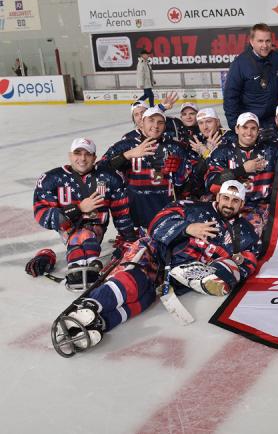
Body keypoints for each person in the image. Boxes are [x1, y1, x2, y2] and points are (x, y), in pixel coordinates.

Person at [51, 181, 261, 355]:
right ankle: (92, 306)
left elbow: (246, 264)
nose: (229, 204)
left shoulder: (246, 233)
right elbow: (157, 223)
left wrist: (219, 272)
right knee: (136, 280)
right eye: (226, 198)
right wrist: (187, 228)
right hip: (157, 255)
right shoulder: (191, 207)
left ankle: (100, 323)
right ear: (218, 197)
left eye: (235, 200)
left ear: (242, 203)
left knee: (144, 298)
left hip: (179, 279)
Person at [28, 138, 136, 288]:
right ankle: (84, 267)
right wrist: (78, 208)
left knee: (85, 235)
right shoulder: (50, 178)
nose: (83, 158)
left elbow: (121, 213)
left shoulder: (111, 177)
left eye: (88, 154)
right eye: (77, 153)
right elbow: (43, 216)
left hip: (96, 228)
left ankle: (79, 268)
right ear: (70, 155)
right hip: (67, 228)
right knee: (82, 236)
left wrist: (129, 239)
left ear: (95, 158)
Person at [97, 107, 192, 231]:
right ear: (142, 122)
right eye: (151, 121)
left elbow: (185, 184)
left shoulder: (175, 147)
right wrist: (127, 155)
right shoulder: (125, 145)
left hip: (165, 208)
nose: (155, 125)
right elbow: (101, 169)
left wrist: (180, 172)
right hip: (134, 208)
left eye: (160, 122)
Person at [206, 112, 278, 239]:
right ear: (237, 129)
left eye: (253, 128)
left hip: (259, 208)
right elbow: (212, 185)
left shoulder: (271, 150)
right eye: (245, 128)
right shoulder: (222, 152)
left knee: (249, 238)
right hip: (229, 206)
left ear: (258, 130)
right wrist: (242, 170)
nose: (249, 133)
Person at [223, 23, 278, 130]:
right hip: (249, 124)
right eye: (260, 41)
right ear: (252, 42)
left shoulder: (276, 59)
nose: (265, 45)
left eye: (268, 41)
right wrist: (234, 125)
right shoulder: (240, 63)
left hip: (271, 122)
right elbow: (230, 96)